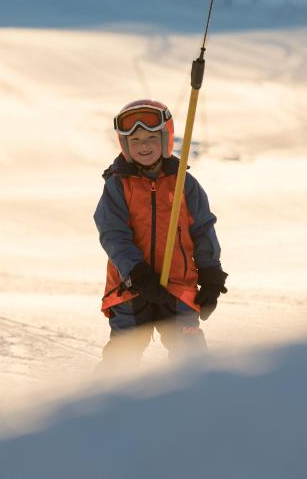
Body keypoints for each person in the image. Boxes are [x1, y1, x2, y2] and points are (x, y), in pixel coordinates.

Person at [94, 99, 228, 365]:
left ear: (166, 138)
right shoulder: (118, 185)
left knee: (190, 355)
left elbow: (202, 229)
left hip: (177, 286)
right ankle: (113, 401)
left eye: (151, 137)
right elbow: (113, 234)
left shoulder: (184, 184)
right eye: (135, 140)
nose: (143, 145)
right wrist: (136, 273)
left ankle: (197, 402)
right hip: (132, 287)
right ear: (125, 145)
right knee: (123, 354)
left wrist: (211, 273)